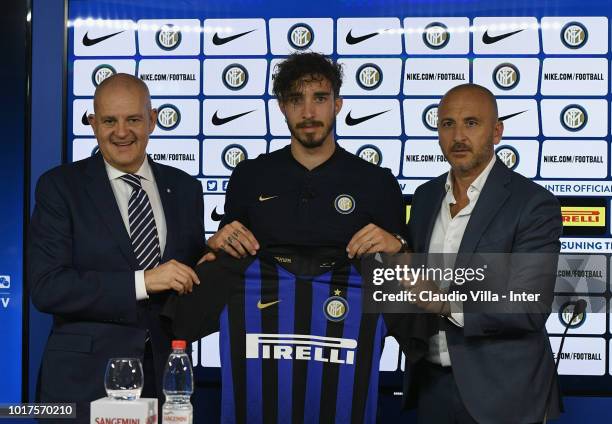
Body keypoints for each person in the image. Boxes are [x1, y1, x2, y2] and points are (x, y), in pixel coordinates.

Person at [28, 73, 205, 422]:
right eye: (109, 120)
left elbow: (188, 280)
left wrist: (217, 259)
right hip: (82, 387)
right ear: (93, 124)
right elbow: (47, 287)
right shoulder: (60, 187)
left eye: (133, 120)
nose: (121, 132)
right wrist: (142, 282)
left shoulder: (185, 189)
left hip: (164, 385)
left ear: (153, 120)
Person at [403, 83, 563, 423]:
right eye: (447, 124)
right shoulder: (425, 197)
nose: (458, 135)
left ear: (497, 131)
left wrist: (445, 303)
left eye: (471, 123)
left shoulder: (532, 203)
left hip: (505, 394)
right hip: (431, 389)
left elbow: (531, 304)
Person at [204, 52, 408, 260]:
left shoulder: (378, 181)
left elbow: (408, 271)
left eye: (319, 98)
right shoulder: (248, 176)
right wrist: (213, 246)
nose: (308, 113)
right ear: (282, 107)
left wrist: (399, 247)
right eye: (296, 99)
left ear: (337, 105)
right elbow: (222, 253)